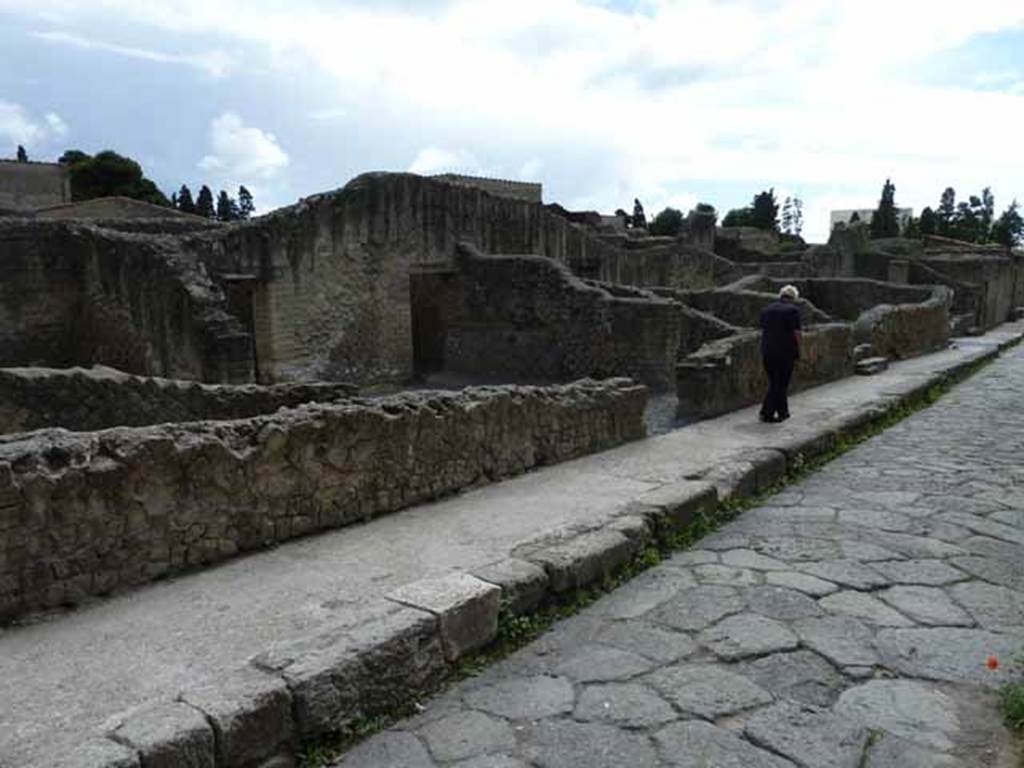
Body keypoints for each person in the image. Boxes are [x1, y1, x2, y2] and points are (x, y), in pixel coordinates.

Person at [759, 284, 802, 423]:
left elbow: (763, 329)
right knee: (781, 383)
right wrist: (799, 349)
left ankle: (783, 412)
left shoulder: (767, 309)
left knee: (775, 382)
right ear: (793, 298)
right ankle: (767, 413)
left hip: (767, 351)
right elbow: (796, 334)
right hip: (785, 353)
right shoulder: (792, 310)